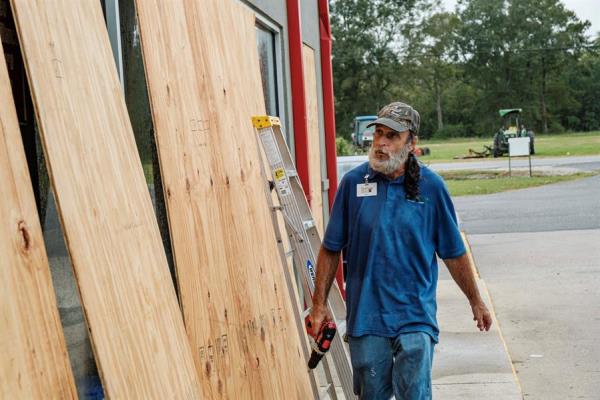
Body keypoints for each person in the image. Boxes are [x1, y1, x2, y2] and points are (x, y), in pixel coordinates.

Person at [308, 102, 493, 400]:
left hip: (415, 315)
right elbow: (331, 248)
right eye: (378, 133)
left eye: (392, 136)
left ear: (412, 143)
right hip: (367, 317)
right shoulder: (354, 184)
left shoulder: (431, 187)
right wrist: (319, 304)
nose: (381, 142)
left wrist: (475, 300)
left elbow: (453, 251)